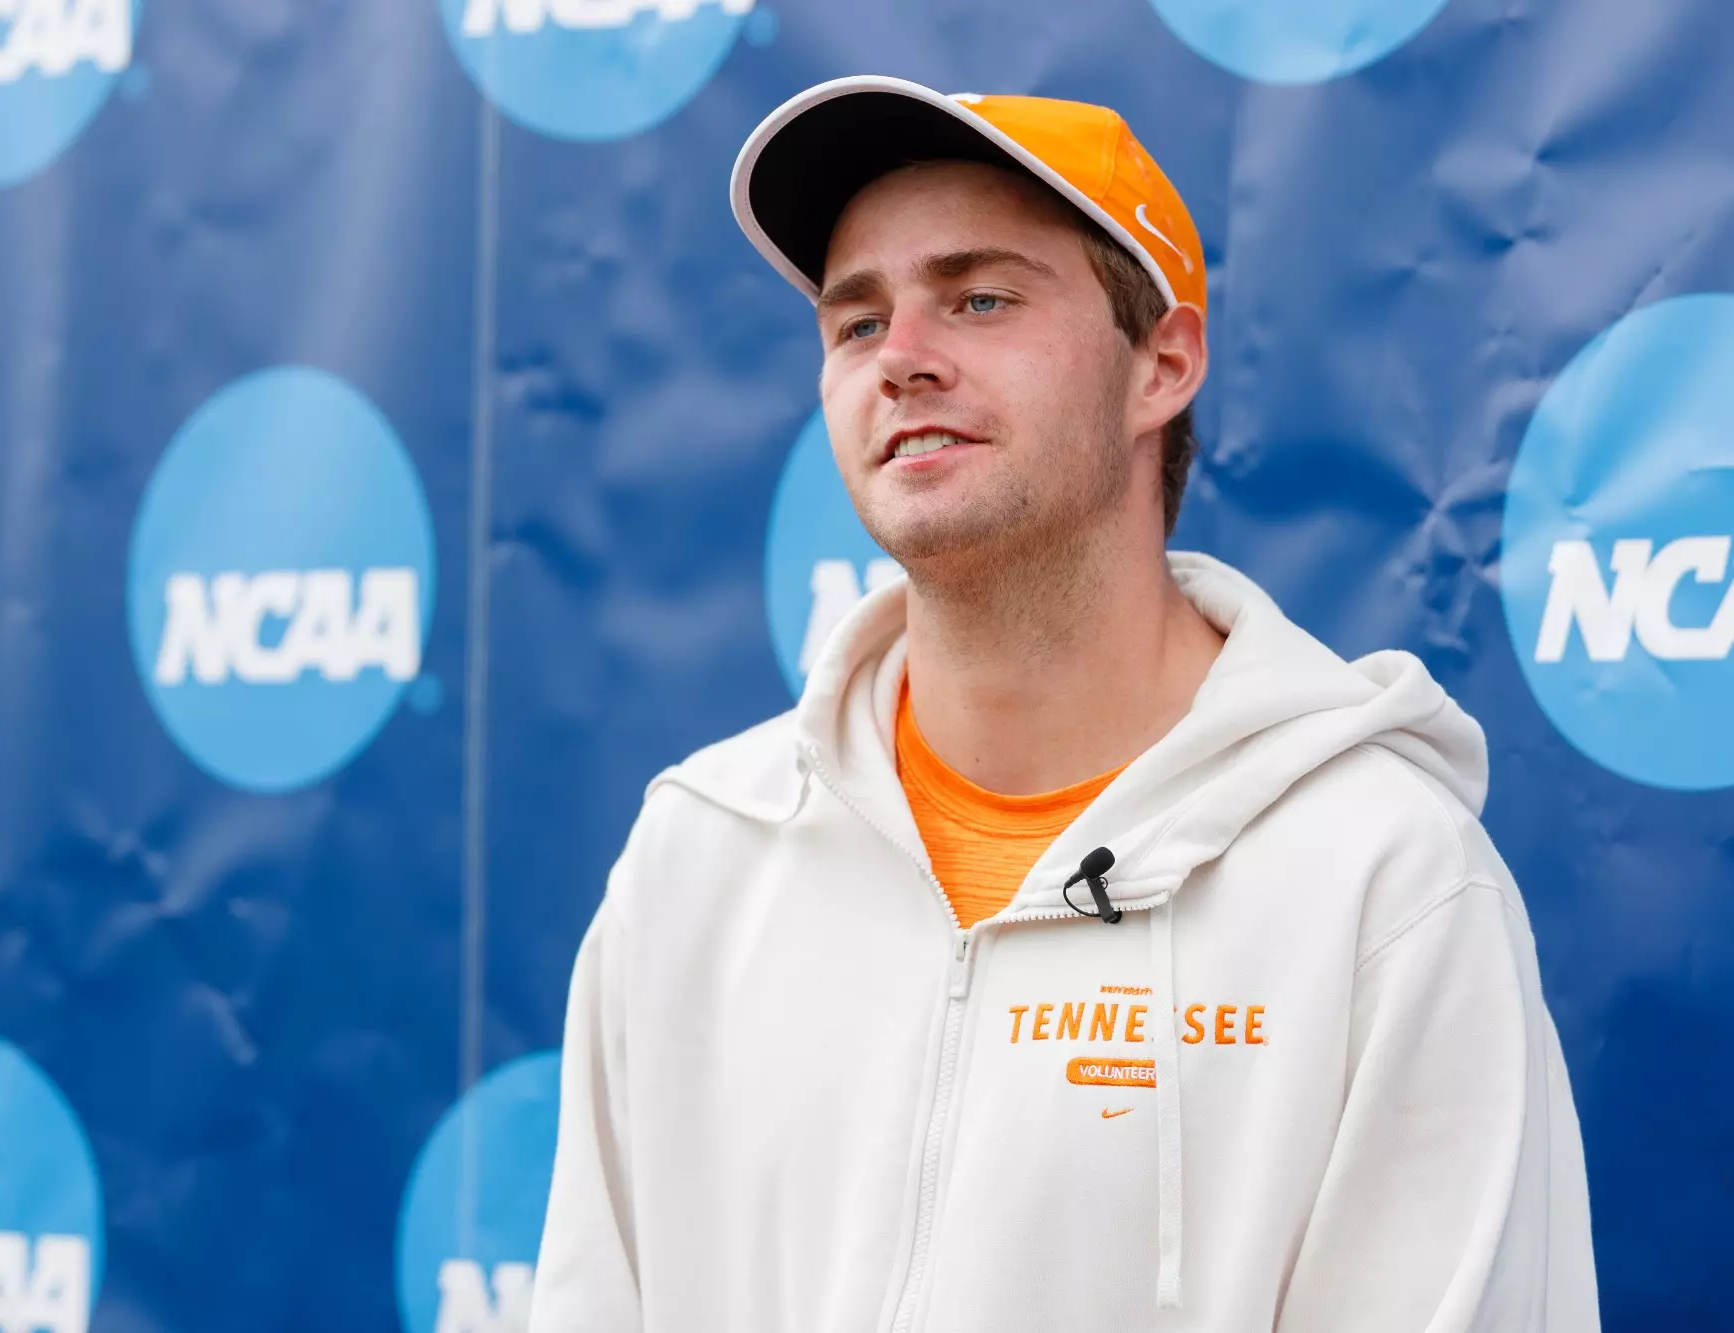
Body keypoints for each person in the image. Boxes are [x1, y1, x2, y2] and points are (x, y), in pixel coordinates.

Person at [531, 76, 1599, 1331]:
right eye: (855, 323)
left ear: (1161, 363)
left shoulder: (1382, 880)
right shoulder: (700, 853)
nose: (903, 360)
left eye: (978, 298)